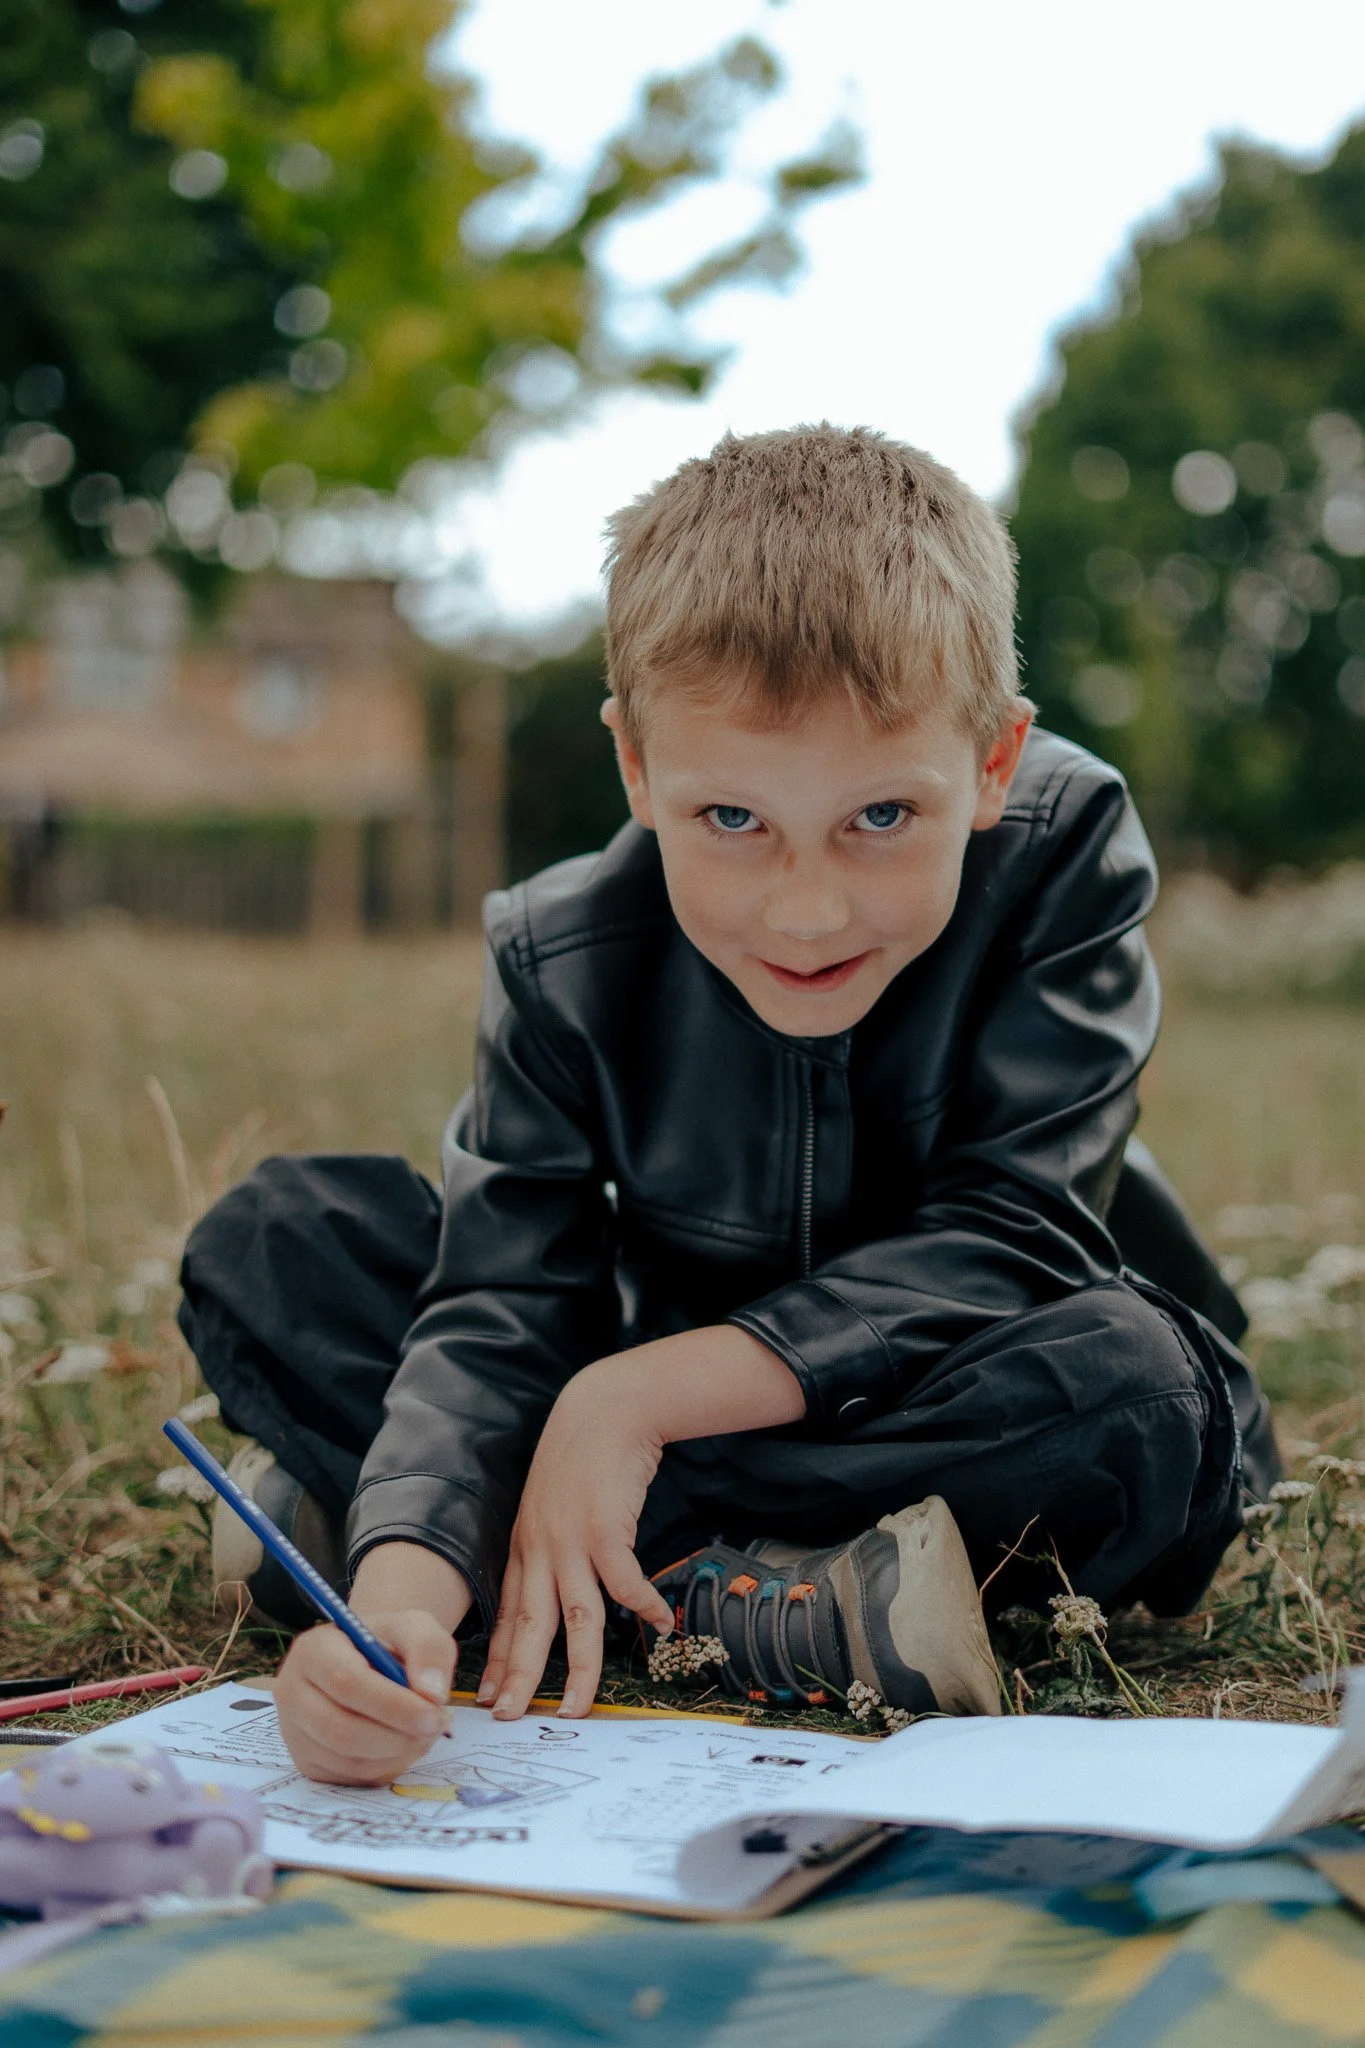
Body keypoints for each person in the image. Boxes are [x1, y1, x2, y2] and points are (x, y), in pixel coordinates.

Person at [179, 425, 1278, 1786]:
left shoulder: (1068, 859)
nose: (805, 907)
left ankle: (483, 1535)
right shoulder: (559, 951)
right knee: (280, 1235)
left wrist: (627, 1405)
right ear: (637, 769)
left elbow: (1018, 1229)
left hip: (955, 1384)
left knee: (1148, 1389)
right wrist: (399, 1605)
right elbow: (502, 1307)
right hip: (677, 1381)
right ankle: (754, 1596)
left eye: (881, 817)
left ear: (994, 765)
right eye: (731, 821)